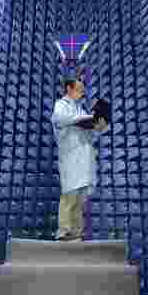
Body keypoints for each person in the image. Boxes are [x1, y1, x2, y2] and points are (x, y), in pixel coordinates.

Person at [51, 79, 107, 241]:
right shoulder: (61, 104)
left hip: (84, 158)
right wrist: (83, 119)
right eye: (79, 90)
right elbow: (61, 119)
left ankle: (76, 232)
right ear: (69, 88)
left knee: (81, 198)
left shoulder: (79, 109)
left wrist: (98, 126)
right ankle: (64, 230)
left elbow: (89, 133)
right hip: (70, 156)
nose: (82, 93)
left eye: (83, 90)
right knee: (70, 194)